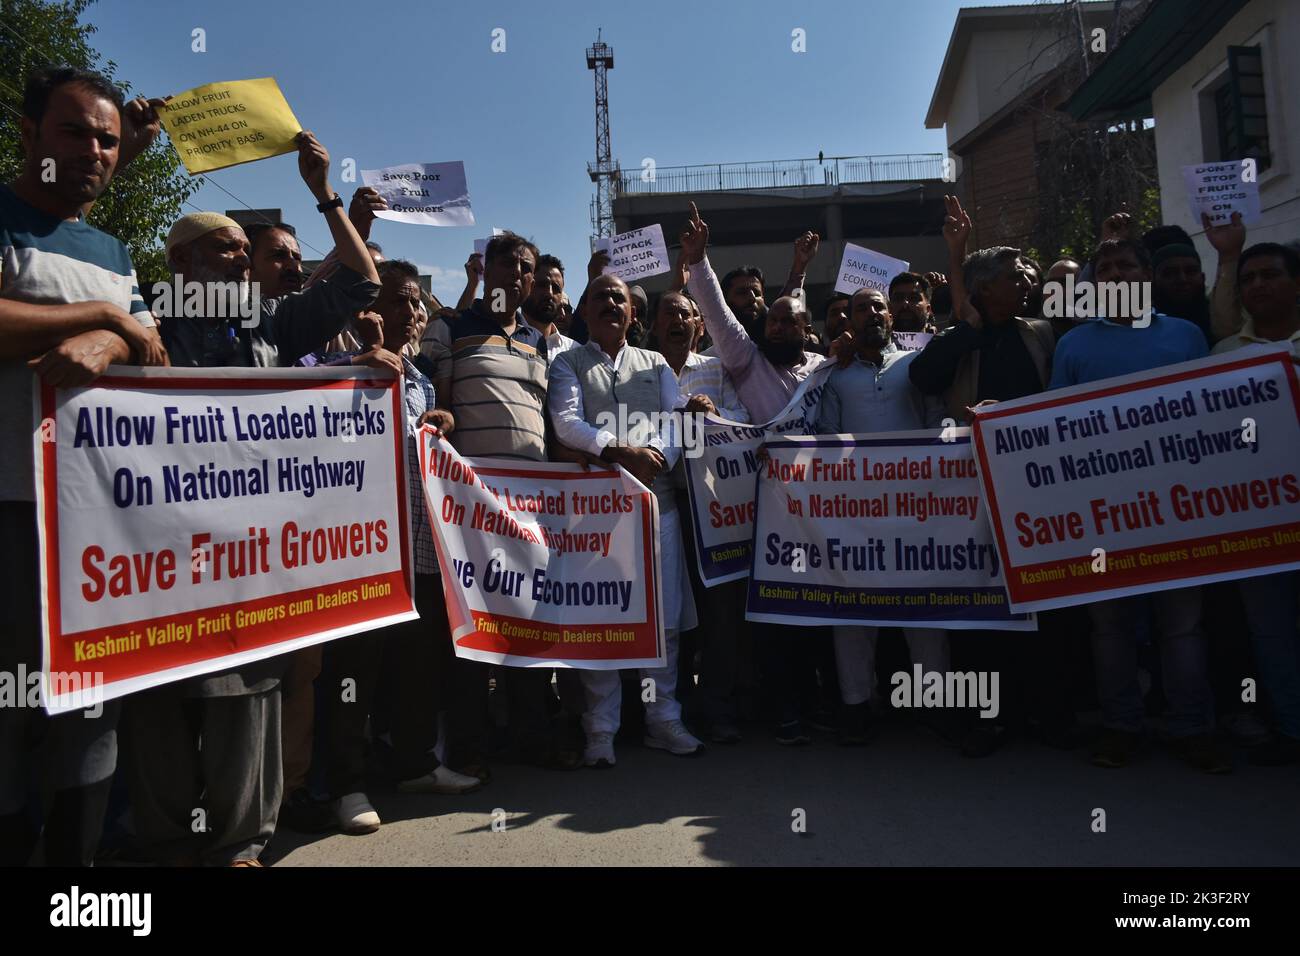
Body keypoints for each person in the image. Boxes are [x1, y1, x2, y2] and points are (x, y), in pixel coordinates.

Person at [124, 129, 380, 866]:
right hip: (162, 545)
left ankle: (241, 843)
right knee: (161, 692)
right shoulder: (152, 321)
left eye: (246, 249)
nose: (245, 258)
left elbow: (360, 283)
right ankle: (167, 841)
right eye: (230, 247)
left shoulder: (270, 320)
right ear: (181, 262)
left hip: (251, 548)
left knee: (247, 690)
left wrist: (324, 194)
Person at [0, 65, 167, 867]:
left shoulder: (111, 249)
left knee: (88, 719)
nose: (96, 151)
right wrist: (105, 315)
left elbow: (151, 351)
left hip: (92, 529)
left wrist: (111, 334)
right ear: (28, 135)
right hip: (7, 517)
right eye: (75, 132)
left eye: (107, 138)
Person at [312, 260, 480, 835]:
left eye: (417, 304)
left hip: (420, 550)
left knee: (417, 663)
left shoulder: (420, 378)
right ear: (368, 308)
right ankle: (345, 784)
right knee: (354, 670)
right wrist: (357, 364)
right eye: (402, 300)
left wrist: (441, 420)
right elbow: (301, 397)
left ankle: (415, 763)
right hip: (363, 552)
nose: (413, 313)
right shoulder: (337, 363)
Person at [1050, 238, 1227, 774]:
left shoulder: (1186, 334)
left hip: (1179, 506)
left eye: (1125, 264)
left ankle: (1192, 729)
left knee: (1182, 626)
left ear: (1146, 275)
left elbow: (1214, 411)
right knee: (1110, 626)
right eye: (1103, 269)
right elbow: (1053, 424)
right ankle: (1121, 726)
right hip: (1104, 513)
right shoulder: (1074, 345)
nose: (1114, 273)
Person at [422, 231, 579, 773]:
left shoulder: (541, 345)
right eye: (508, 264)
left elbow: (550, 426)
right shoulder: (452, 327)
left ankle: (531, 737)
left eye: (527, 267)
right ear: (485, 270)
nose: (518, 274)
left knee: (530, 620)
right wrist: (443, 422)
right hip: (471, 510)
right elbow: (436, 404)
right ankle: (471, 747)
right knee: (473, 629)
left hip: (532, 511)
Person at [680, 201, 830, 743]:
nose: (781, 324)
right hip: (763, 510)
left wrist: (800, 273)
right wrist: (698, 263)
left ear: (805, 328)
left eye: (791, 319)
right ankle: (780, 706)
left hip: (821, 510)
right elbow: (717, 316)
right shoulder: (746, 361)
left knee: (816, 611)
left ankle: (818, 702)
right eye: (773, 319)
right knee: (771, 614)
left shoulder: (821, 369)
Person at [548, 274, 704, 765]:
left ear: (632, 314)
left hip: (658, 509)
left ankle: (662, 720)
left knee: (664, 623)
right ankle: (601, 731)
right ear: (585, 311)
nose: (612, 303)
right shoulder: (567, 361)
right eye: (601, 297)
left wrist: (653, 454)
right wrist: (620, 452)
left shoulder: (655, 363)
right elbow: (566, 423)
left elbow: (676, 419)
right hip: (595, 518)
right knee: (602, 619)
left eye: (619, 298)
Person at [816, 288, 948, 744]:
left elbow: (937, 425)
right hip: (857, 515)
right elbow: (827, 439)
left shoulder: (916, 365)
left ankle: (933, 705)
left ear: (890, 316)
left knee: (924, 611)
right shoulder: (835, 376)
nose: (871, 313)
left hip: (918, 510)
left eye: (878, 306)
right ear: (847, 319)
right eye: (861, 308)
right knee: (852, 612)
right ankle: (856, 705)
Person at [1210, 241, 1300, 766]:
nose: (1259, 286)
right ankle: (1290, 728)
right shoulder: (1223, 356)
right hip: (1256, 524)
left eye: (1270, 275)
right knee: (1271, 633)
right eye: (1249, 279)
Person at [653, 290, 750, 743]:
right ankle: (670, 710)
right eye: (667, 313)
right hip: (660, 509)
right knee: (670, 617)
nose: (677, 320)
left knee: (718, 617)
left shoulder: (716, 369)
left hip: (713, 512)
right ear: (653, 325)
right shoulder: (643, 369)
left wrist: (717, 414)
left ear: (698, 324)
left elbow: (745, 419)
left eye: (685, 313)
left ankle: (718, 708)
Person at [523, 254, 578, 356]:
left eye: (556, 288)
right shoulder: (502, 342)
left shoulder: (575, 352)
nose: (549, 293)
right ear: (526, 286)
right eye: (541, 285)